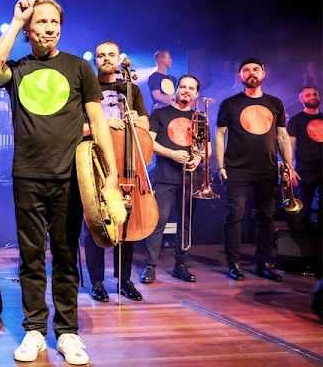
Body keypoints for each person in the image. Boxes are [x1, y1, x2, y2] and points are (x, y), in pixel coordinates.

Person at [0, 0, 118, 366]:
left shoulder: (80, 68)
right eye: (41, 22)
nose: (49, 28)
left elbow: (98, 123)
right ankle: (33, 331)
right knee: (30, 258)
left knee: (65, 257)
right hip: (28, 175)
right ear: (30, 28)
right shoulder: (20, 68)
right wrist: (15, 21)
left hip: (70, 178)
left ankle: (68, 333)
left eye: (54, 22)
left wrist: (108, 176)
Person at [214, 58, 298, 281]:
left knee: (266, 218)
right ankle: (234, 264)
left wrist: (289, 166)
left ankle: (265, 264)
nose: (251, 73)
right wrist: (220, 165)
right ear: (239, 76)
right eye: (246, 70)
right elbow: (220, 136)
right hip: (236, 169)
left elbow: (282, 137)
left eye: (255, 69)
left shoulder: (276, 103)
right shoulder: (229, 104)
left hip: (267, 169)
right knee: (234, 215)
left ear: (264, 73)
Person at [83, 41, 148, 303]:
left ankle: (124, 280)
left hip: (127, 166)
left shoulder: (131, 89)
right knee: (95, 223)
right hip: (95, 163)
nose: (106, 59)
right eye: (101, 55)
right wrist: (103, 123)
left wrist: (135, 119)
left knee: (127, 223)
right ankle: (97, 281)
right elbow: (79, 127)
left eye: (111, 54)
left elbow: (146, 123)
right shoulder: (87, 87)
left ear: (119, 58)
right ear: (95, 59)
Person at [140, 74, 207, 285]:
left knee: (185, 224)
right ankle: (150, 266)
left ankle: (181, 264)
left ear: (196, 94)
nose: (187, 90)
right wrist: (172, 153)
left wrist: (199, 157)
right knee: (158, 220)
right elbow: (149, 142)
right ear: (176, 89)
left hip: (191, 178)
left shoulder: (200, 118)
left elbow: (206, 146)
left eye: (191, 88)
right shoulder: (160, 114)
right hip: (165, 177)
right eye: (183, 86)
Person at [286, 86, 322, 231]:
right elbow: (290, 145)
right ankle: (300, 237)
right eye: (308, 95)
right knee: (304, 202)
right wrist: (290, 168)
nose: (312, 97)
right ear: (301, 99)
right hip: (305, 167)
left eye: (315, 94)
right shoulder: (296, 120)